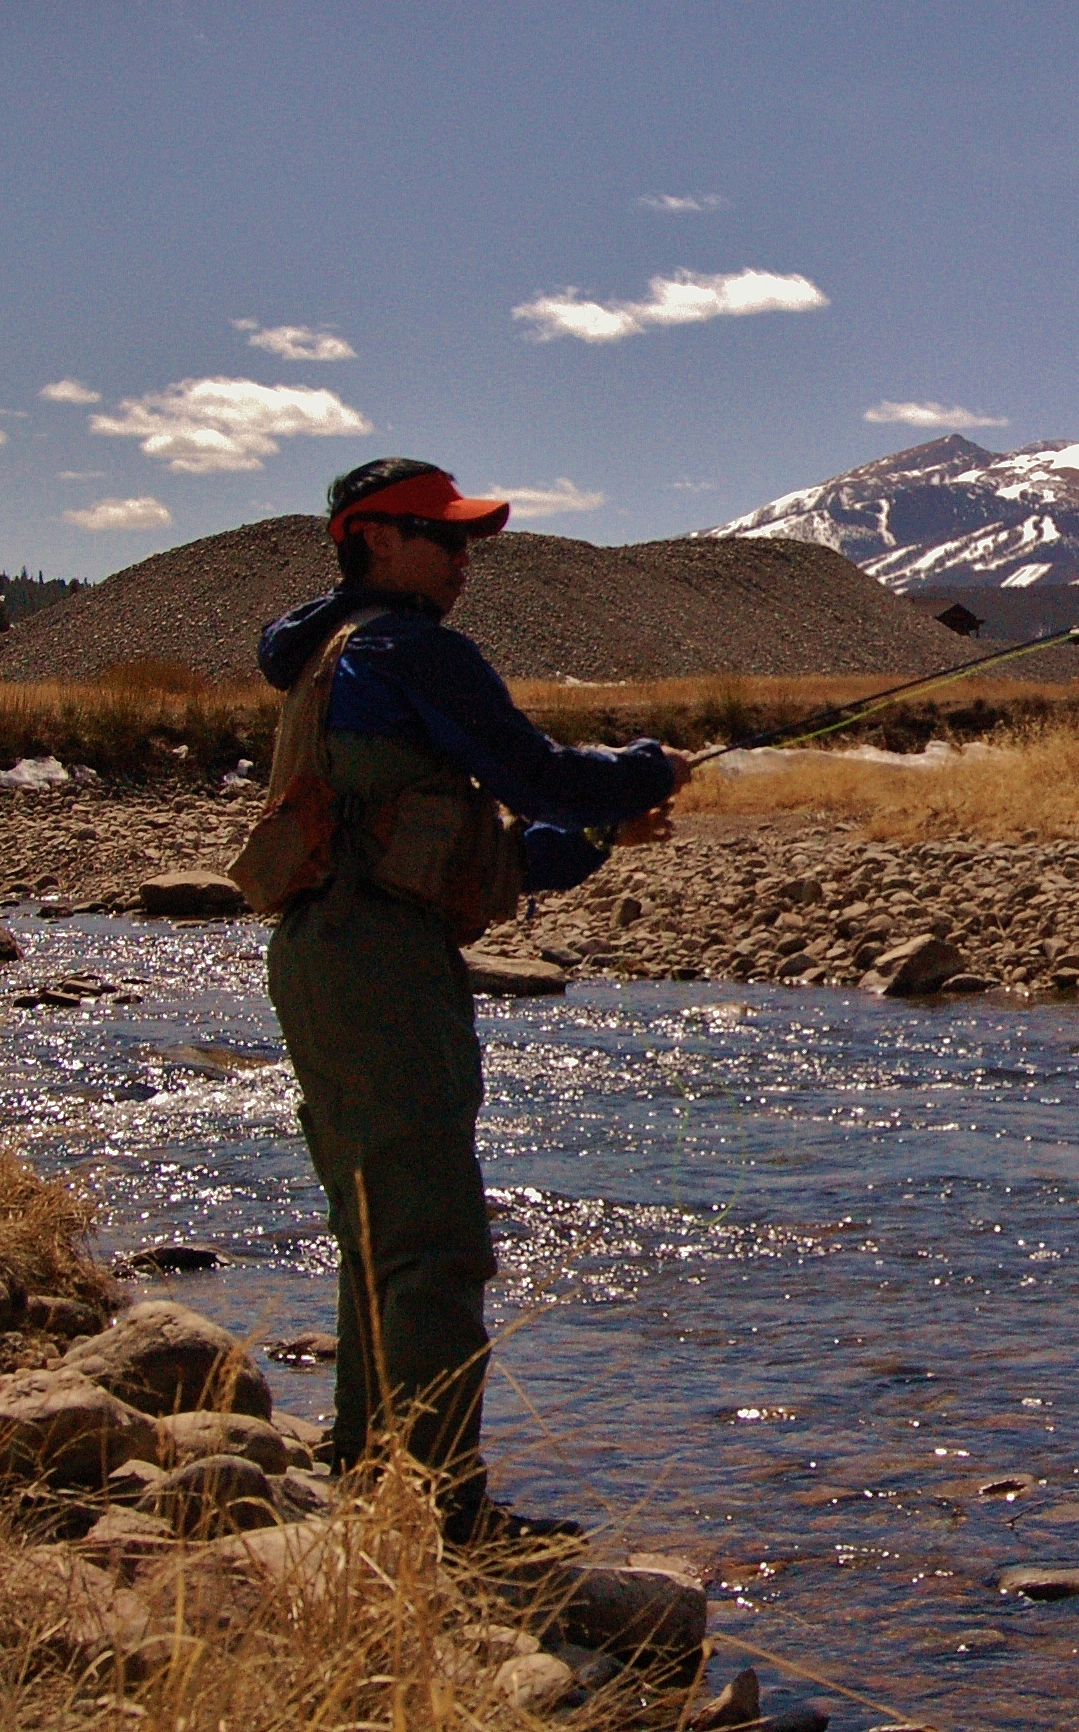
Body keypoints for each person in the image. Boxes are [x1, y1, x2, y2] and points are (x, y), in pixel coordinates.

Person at [253, 457, 693, 1543]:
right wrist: (640, 770)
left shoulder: (328, 656)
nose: (462, 560)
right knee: (434, 1239)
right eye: (441, 537)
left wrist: (593, 832)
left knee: (377, 1229)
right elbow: (532, 773)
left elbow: (470, 850)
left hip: (325, 951)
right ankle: (435, 1504)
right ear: (372, 539)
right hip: (379, 964)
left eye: (466, 542)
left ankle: (371, 1471)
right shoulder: (408, 647)